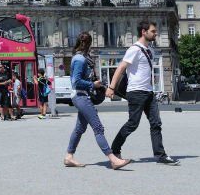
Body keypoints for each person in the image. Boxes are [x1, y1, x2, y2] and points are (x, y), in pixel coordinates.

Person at [106, 21, 179, 165]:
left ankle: (160, 155)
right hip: (136, 92)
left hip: (149, 92)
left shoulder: (150, 51)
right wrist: (111, 87)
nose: (156, 33)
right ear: (144, 32)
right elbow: (121, 68)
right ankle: (114, 149)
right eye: (153, 31)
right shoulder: (134, 49)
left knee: (156, 123)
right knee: (133, 124)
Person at [65, 32, 132, 169]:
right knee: (98, 127)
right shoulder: (79, 59)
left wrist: (99, 86)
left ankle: (69, 156)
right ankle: (113, 159)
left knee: (80, 128)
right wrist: (92, 85)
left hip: (83, 95)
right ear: (88, 44)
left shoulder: (84, 58)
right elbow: (76, 82)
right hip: (80, 95)